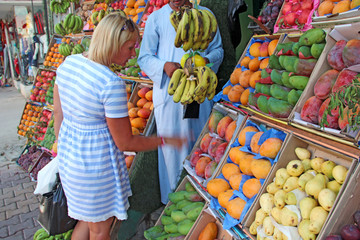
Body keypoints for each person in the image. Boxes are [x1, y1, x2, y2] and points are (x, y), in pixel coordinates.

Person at [53, 13, 185, 240]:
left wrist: (66, 150)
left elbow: (58, 113)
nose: (133, 54)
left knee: (87, 221)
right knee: (100, 229)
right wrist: (165, 140)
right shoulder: (110, 83)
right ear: (113, 43)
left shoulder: (69, 64)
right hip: (96, 167)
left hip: (70, 161)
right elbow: (126, 142)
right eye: (130, 47)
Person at [137, 0, 224, 204]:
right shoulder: (157, 19)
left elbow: (218, 50)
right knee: (172, 149)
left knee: (200, 143)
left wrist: (205, 64)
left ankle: (201, 196)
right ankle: (173, 202)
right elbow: (144, 57)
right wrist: (164, 66)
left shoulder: (204, 15)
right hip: (171, 95)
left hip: (199, 92)